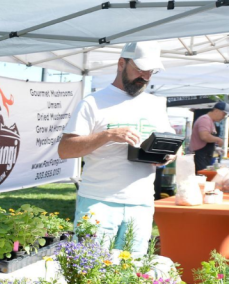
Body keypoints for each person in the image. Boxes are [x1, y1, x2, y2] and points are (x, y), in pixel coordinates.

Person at [58, 41, 176, 255]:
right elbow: (65, 149)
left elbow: (173, 146)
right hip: (98, 201)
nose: (145, 77)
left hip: (141, 203)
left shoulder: (155, 104)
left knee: (131, 269)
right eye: (140, 69)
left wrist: (167, 156)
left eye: (151, 71)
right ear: (122, 63)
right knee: (89, 266)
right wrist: (108, 135)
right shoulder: (93, 102)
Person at [190, 101, 228, 171]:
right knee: (201, 176)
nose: (223, 117)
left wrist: (215, 148)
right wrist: (218, 139)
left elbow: (207, 140)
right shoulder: (205, 119)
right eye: (224, 114)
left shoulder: (210, 121)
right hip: (200, 156)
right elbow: (204, 136)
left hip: (205, 156)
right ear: (216, 111)